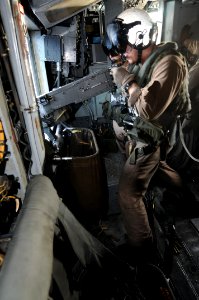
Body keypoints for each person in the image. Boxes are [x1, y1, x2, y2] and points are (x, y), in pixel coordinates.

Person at [103, 8, 191, 255]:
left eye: (125, 47)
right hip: (140, 137)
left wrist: (127, 80)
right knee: (157, 169)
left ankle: (141, 250)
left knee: (128, 194)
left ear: (141, 38)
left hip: (151, 139)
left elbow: (145, 109)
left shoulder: (170, 64)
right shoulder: (143, 60)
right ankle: (183, 192)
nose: (123, 53)